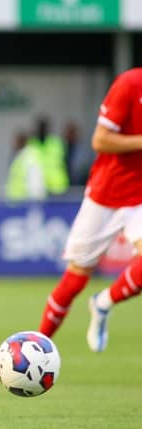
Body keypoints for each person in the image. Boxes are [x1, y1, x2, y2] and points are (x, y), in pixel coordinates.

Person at [37, 67, 142, 353]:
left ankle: (104, 302)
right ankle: (36, 345)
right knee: (74, 280)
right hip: (106, 194)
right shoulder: (130, 84)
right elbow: (100, 140)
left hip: (140, 198)